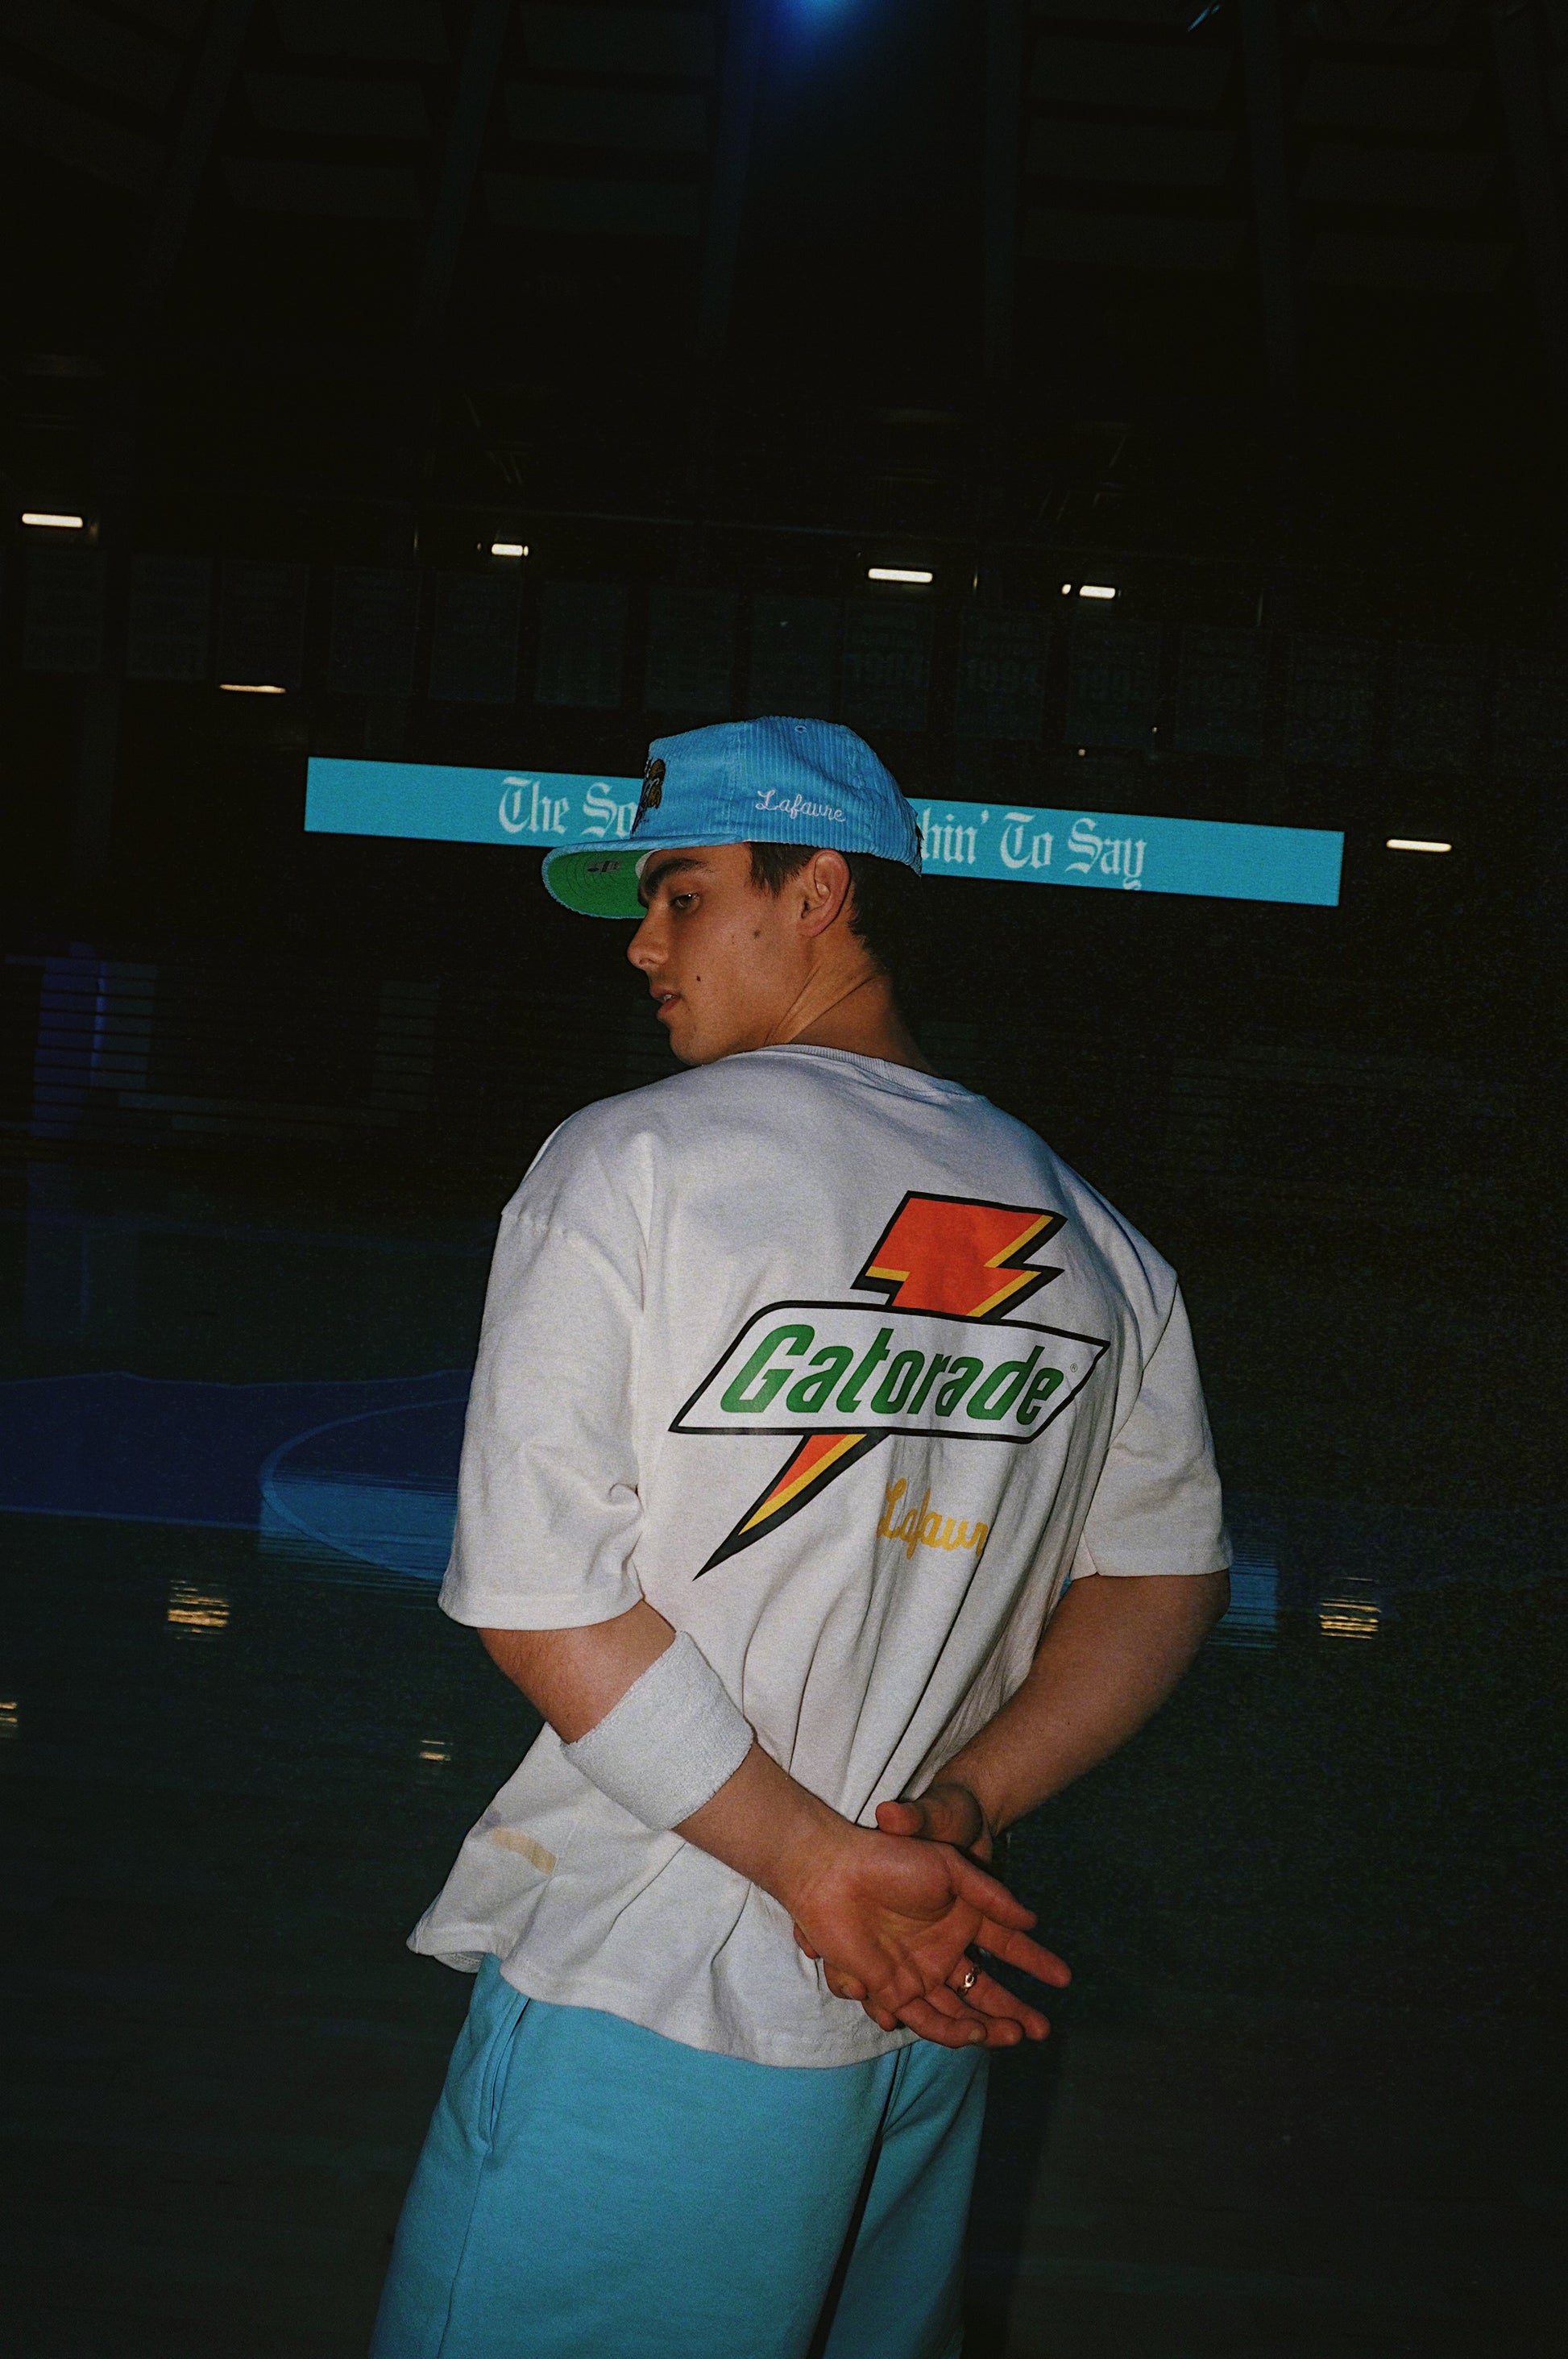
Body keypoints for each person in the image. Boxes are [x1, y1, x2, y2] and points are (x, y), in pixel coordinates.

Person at [371, 717, 1230, 2359]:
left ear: (818, 890)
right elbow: (1161, 1577)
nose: (642, 944)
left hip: (661, 1984)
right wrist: (960, 1809)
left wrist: (813, 1865)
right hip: (915, 1991)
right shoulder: (1095, 1234)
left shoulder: (634, 1161)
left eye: (681, 894)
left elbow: (541, 1597)